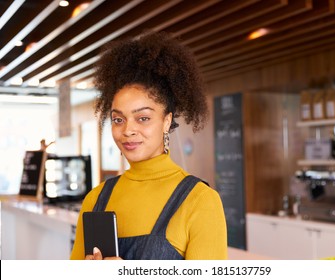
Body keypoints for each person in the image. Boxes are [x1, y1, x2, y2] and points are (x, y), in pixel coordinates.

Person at [70, 31, 227, 260]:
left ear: (166, 121)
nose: (128, 130)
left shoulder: (200, 200)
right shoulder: (95, 199)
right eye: (118, 119)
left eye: (143, 118)